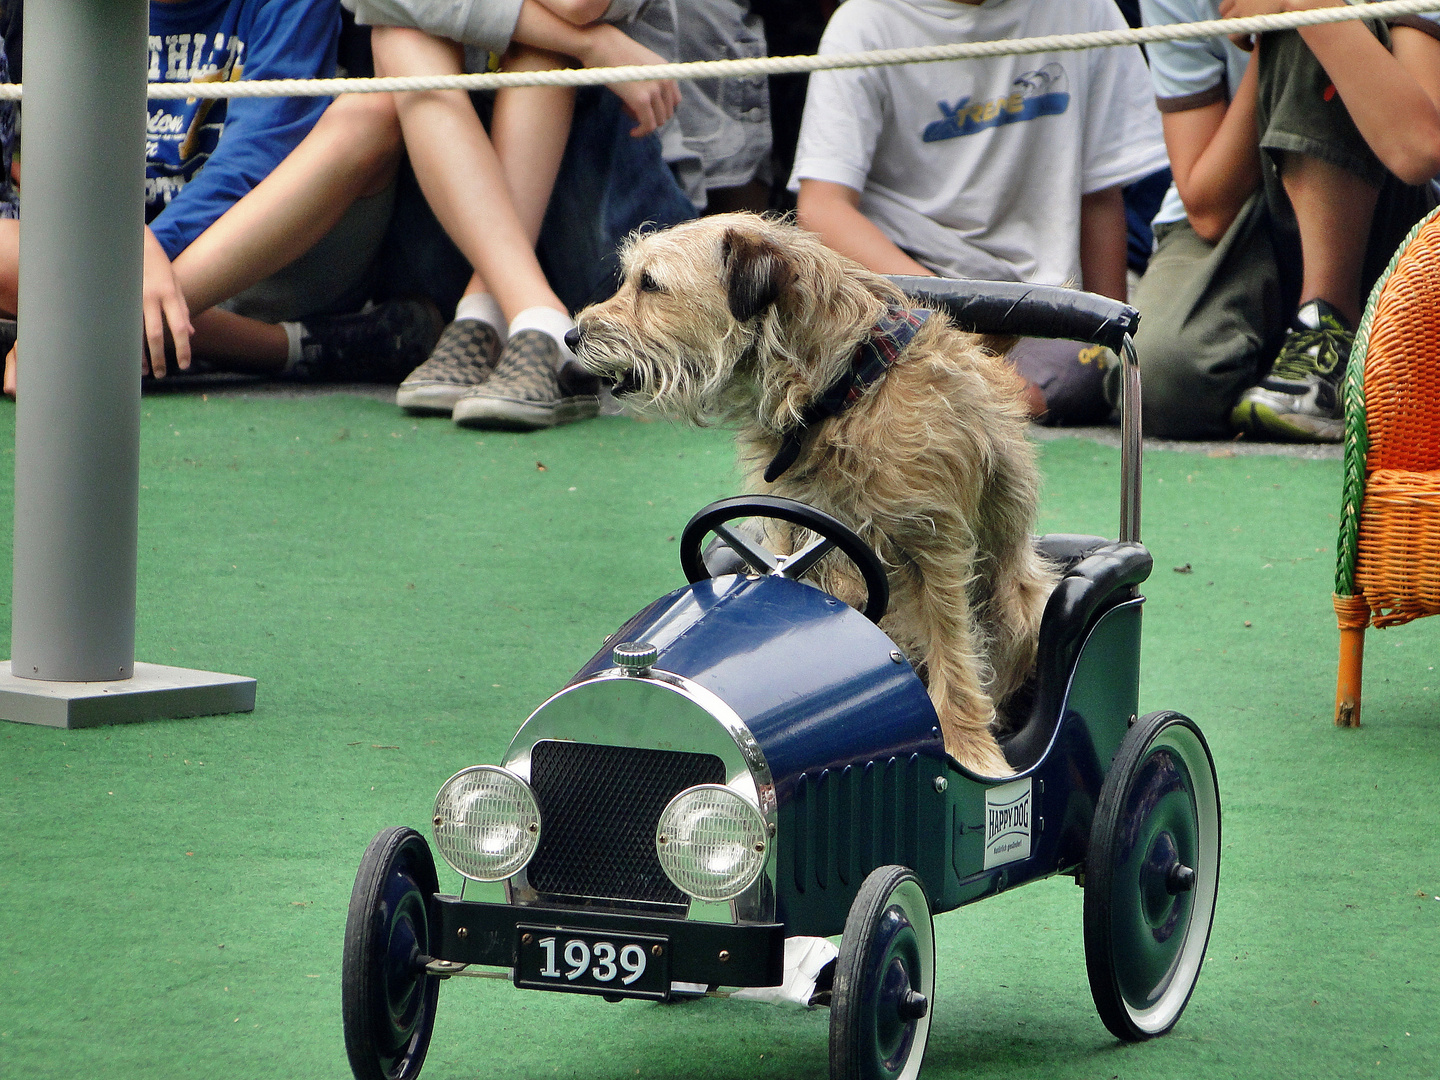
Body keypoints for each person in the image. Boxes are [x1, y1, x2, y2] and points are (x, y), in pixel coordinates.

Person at [3, 0, 432, 396]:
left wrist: (137, 256)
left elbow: (257, 154)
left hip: (254, 255)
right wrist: (119, 248)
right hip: (109, 264)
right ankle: (284, 348)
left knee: (372, 113)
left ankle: (97, 332)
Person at [790, 0, 1169, 425]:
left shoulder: (1086, 10)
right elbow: (823, 208)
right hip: (905, 303)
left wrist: (1108, 334)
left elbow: (1100, 192)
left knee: (1082, 377)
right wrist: (948, 322)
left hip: (1042, 303)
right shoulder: (864, 23)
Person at [347, 0, 694, 430]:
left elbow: (579, 4)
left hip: (617, 255)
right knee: (402, 35)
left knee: (538, 50)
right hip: (448, 231)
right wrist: (591, 43)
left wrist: (569, 37)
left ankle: (491, 309)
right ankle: (529, 312)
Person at [1127, 0, 1440, 441]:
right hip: (1240, 210)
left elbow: (1419, 150)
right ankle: (1296, 357)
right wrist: (1269, 43)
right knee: (1160, 382)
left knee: (1319, 20)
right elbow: (1208, 209)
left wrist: (1307, 5)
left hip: (1383, 206)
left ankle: (1326, 331)